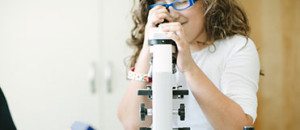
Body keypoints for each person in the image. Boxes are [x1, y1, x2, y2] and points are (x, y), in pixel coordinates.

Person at [118, 0, 260, 129]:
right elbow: (131, 124)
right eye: (162, 4)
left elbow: (239, 127)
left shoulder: (236, 47)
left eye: (181, 2)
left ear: (208, 3)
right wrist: (147, 47)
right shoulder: (158, 50)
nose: (171, 14)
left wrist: (189, 67)